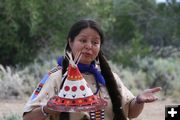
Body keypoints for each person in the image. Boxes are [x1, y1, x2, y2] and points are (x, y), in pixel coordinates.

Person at [23, 19, 161, 120]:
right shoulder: (56, 77)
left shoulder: (110, 77)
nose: (89, 46)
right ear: (70, 42)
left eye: (95, 42)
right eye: (83, 41)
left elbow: (130, 112)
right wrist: (47, 109)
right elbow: (28, 117)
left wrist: (138, 101)